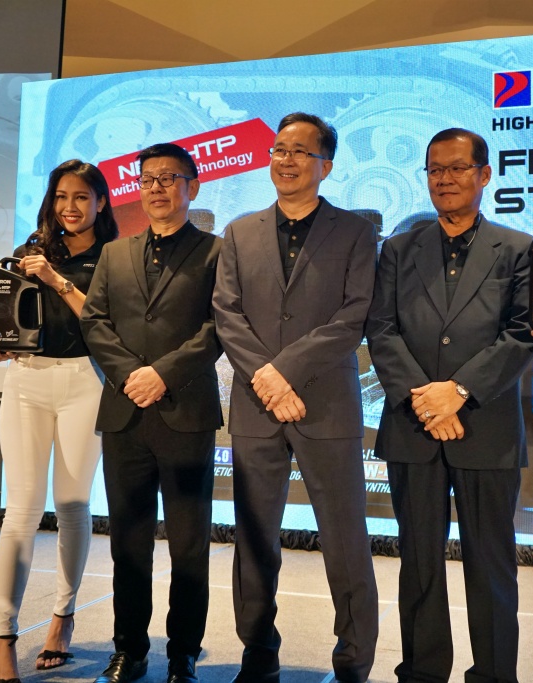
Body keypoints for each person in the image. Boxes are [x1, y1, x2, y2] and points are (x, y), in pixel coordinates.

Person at [212, 112, 378, 683]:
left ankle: (353, 662)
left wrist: (283, 372)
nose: (286, 160)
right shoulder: (240, 231)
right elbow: (227, 313)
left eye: (301, 151)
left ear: (325, 166)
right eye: (279, 149)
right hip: (256, 406)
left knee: (346, 541)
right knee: (254, 540)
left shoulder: (356, 232)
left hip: (325, 404)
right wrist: (266, 378)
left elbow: (354, 315)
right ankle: (258, 655)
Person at [366, 128, 533, 683]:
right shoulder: (398, 250)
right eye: (435, 169)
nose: (445, 179)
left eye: (457, 168)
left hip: (485, 427)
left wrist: (458, 392)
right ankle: (422, 672)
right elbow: (382, 330)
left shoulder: (518, 248)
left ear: (484, 175)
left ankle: (494, 675)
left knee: (491, 566)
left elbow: (522, 333)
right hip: (413, 426)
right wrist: (426, 401)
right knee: (418, 564)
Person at [80, 143, 223, 683]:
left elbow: (218, 327)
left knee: (189, 545)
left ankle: (183, 652)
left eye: (169, 178)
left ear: (193, 186)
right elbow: (94, 322)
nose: (156, 188)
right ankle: (130, 650)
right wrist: (129, 376)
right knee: (128, 543)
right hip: (125, 414)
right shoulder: (115, 253)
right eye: (147, 179)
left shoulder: (216, 252)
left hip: (185, 410)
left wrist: (162, 373)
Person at [0, 159, 119, 683]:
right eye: (61, 196)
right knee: (21, 509)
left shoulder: (115, 257)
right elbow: (5, 318)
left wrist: (56, 281)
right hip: (26, 379)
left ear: (101, 201)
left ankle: (62, 616)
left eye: (81, 196)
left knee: (73, 504)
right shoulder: (29, 252)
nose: (70, 206)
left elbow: (103, 324)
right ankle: (3, 637)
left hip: (86, 380)